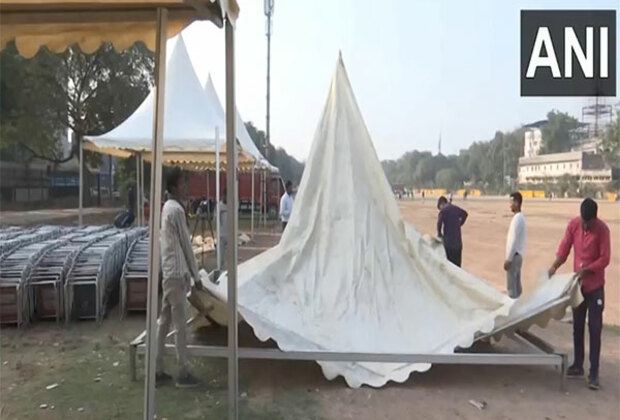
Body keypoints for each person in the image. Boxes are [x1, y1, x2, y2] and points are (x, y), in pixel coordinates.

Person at [548, 198, 610, 390]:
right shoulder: (574, 225)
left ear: (595, 219)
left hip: (595, 287)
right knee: (577, 327)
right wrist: (553, 267)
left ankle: (594, 373)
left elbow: (605, 258)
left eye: (588, 223)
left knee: (595, 328)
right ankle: (578, 365)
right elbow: (564, 248)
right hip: (578, 287)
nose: (584, 225)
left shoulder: (602, 230)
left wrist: (589, 269)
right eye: (583, 221)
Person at [156, 167, 202, 388]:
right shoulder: (176, 210)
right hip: (176, 274)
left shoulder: (167, 207)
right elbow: (186, 244)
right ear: (174, 187)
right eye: (183, 183)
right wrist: (196, 275)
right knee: (180, 325)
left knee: (164, 322)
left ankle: (157, 369)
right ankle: (184, 371)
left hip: (169, 272)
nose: (186, 187)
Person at [504, 192, 526, 298]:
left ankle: (514, 311)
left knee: (512, 288)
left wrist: (508, 259)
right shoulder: (521, 217)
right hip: (518, 255)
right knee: (517, 286)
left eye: (511, 202)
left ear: (517, 203)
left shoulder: (517, 219)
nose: (510, 205)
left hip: (514, 257)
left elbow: (513, 241)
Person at [436, 196, 468, 267]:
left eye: (439, 207)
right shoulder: (455, 208)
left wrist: (439, 234)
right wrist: (460, 224)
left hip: (449, 243)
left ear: (441, 204)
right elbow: (465, 214)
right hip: (458, 243)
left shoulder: (443, 211)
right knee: (457, 266)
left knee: (450, 266)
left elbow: (439, 223)